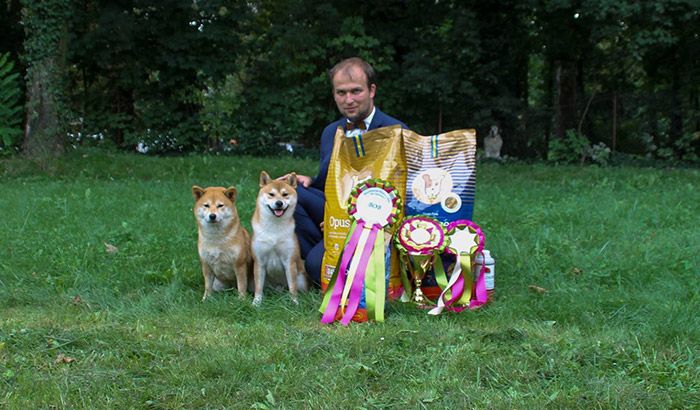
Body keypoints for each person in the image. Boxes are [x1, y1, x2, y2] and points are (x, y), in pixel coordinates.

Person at [282, 57, 407, 285]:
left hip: (377, 223)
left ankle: (323, 261)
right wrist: (309, 180)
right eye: (341, 93)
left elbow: (403, 198)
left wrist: (347, 220)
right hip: (336, 214)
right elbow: (327, 183)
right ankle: (327, 247)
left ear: (371, 90)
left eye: (356, 91)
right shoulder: (331, 131)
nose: (348, 100)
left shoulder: (396, 131)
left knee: (316, 266)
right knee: (291, 193)